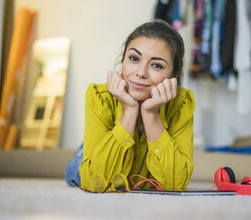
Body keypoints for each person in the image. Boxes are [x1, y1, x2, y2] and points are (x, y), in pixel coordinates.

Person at [65, 20, 195, 191]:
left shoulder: (181, 104)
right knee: (74, 175)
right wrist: (129, 110)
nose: (140, 73)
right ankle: (85, 149)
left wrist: (151, 114)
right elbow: (92, 181)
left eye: (156, 65)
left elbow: (176, 184)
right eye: (134, 58)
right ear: (123, 61)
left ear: (173, 76)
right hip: (96, 153)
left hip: (126, 156)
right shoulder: (100, 97)